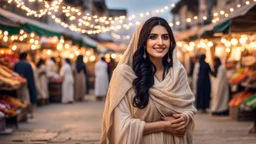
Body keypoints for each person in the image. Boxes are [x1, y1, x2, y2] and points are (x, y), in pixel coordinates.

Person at [100, 17, 196, 144]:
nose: (160, 42)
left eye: (165, 37)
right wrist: (164, 126)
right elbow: (121, 125)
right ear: (143, 42)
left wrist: (184, 117)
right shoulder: (125, 74)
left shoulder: (178, 73)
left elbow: (188, 108)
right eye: (153, 37)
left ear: (171, 42)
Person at [14, 52, 37, 117]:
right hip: (25, 85)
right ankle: (27, 113)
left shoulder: (16, 64)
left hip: (18, 84)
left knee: (20, 99)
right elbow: (30, 77)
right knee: (26, 99)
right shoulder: (28, 65)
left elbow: (15, 75)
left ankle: (21, 114)